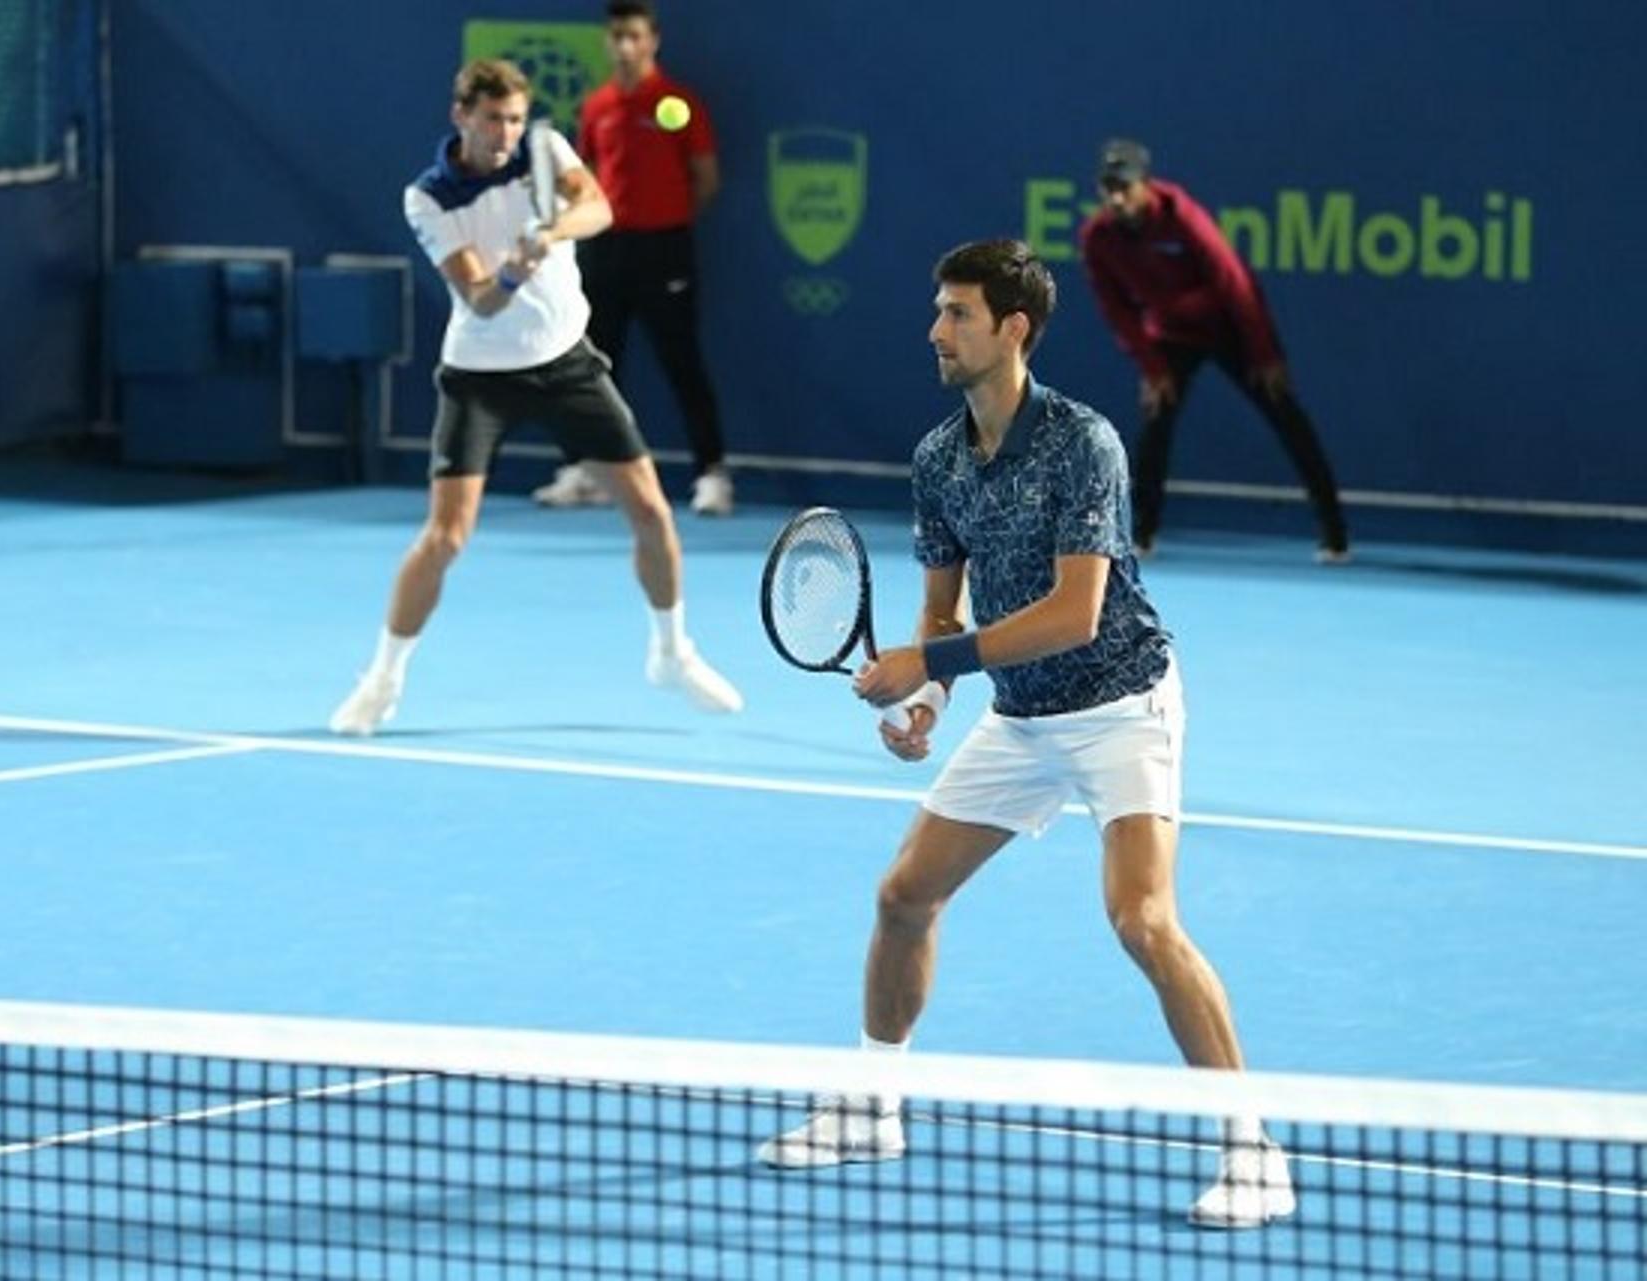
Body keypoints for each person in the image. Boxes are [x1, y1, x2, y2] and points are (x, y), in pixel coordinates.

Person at [755, 240, 1295, 1230]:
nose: (935, 331)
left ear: (1014, 329)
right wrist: (929, 702)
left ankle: (1252, 1147)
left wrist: (933, 666)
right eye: (937, 311)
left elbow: (1074, 614)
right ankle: (873, 1103)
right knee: (904, 894)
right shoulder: (937, 458)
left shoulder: (1082, 442)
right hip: (1019, 715)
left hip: (1122, 703)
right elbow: (940, 609)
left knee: (1142, 921)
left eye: (956, 314)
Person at [329, 58, 743, 734]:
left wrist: (547, 234)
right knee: (446, 535)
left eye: (515, 118)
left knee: (649, 509)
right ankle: (382, 679)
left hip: (568, 363)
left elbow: (598, 207)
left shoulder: (543, 151)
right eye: (493, 119)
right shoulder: (428, 196)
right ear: (461, 116)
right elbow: (481, 300)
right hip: (479, 376)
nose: (506, 132)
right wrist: (516, 272)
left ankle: (672, 653)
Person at [1079, 139, 1350, 562]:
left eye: (1125, 188)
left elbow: (1236, 285)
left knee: (1286, 414)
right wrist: (1152, 367)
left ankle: (1335, 535)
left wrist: (1265, 355)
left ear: (1146, 185)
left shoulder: (1183, 217)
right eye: (1108, 189)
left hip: (1231, 330)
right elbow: (1117, 311)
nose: (1117, 198)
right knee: (1156, 421)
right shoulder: (1097, 238)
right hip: (1171, 336)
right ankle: (1142, 535)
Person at [531, 0, 733, 517]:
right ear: (607, 40)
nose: (625, 46)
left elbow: (705, 179)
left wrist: (665, 217)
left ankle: (712, 475)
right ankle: (587, 470)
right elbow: (585, 179)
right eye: (617, 36)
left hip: (665, 248)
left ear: (653, 41)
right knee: (594, 365)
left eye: (634, 36)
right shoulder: (597, 106)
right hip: (605, 249)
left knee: (683, 363)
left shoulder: (678, 102)